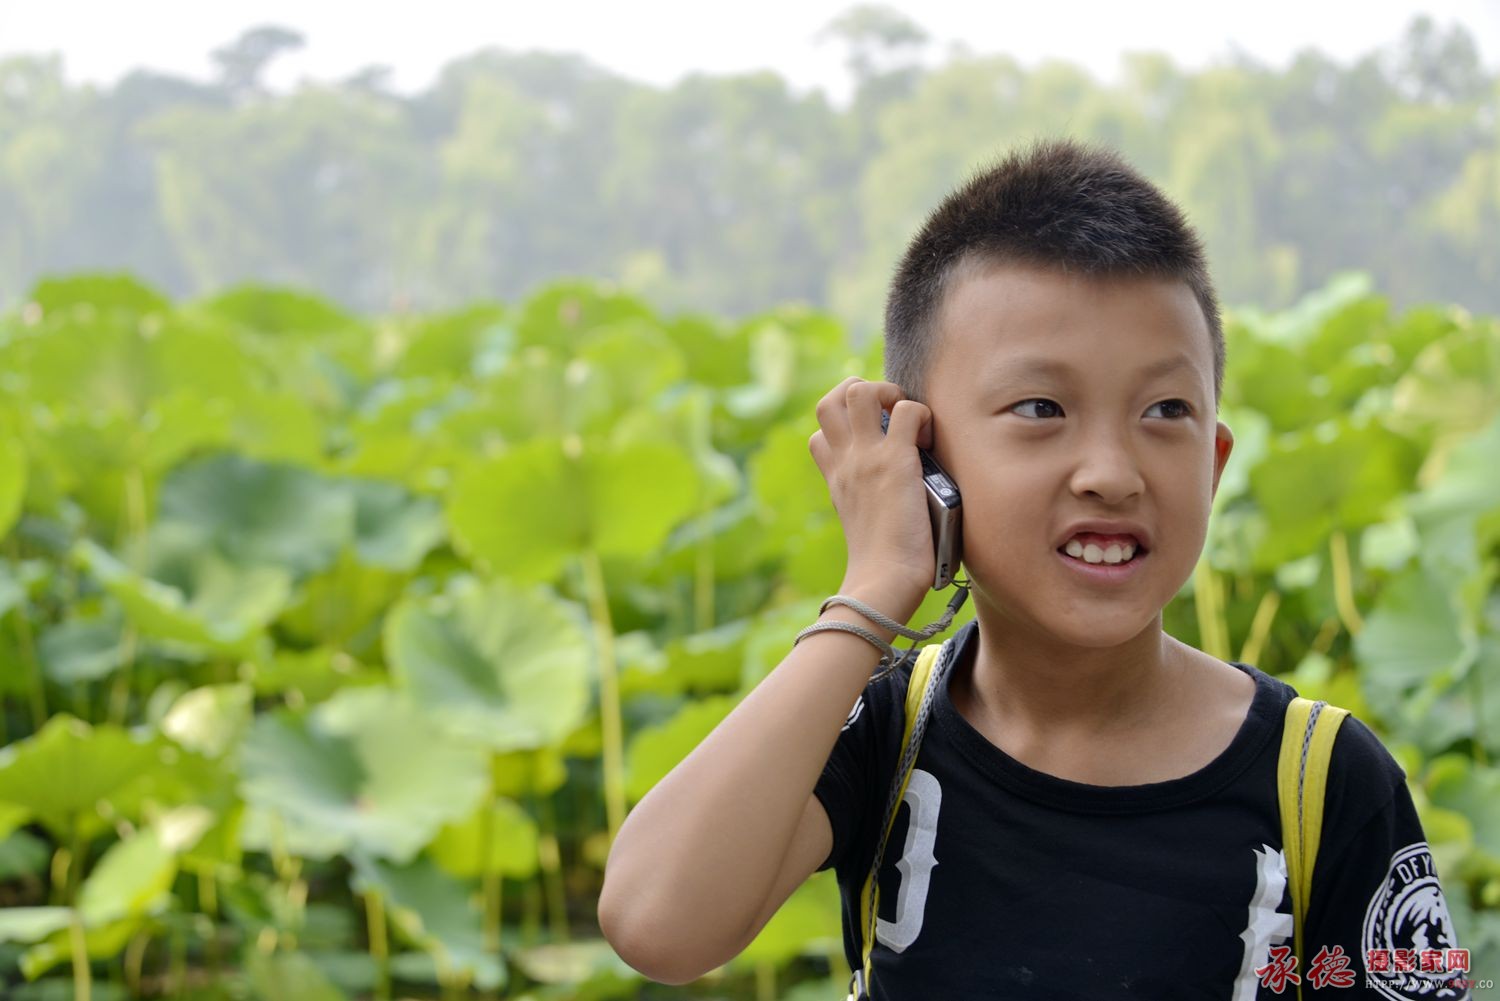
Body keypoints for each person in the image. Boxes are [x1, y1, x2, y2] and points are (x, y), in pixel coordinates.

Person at [598, 138, 1470, 999]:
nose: (1112, 473)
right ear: (922, 460)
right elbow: (656, 923)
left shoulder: (1322, 780)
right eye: (1041, 406)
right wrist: (874, 589)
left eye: (1166, 409)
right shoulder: (884, 732)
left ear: (1214, 462)